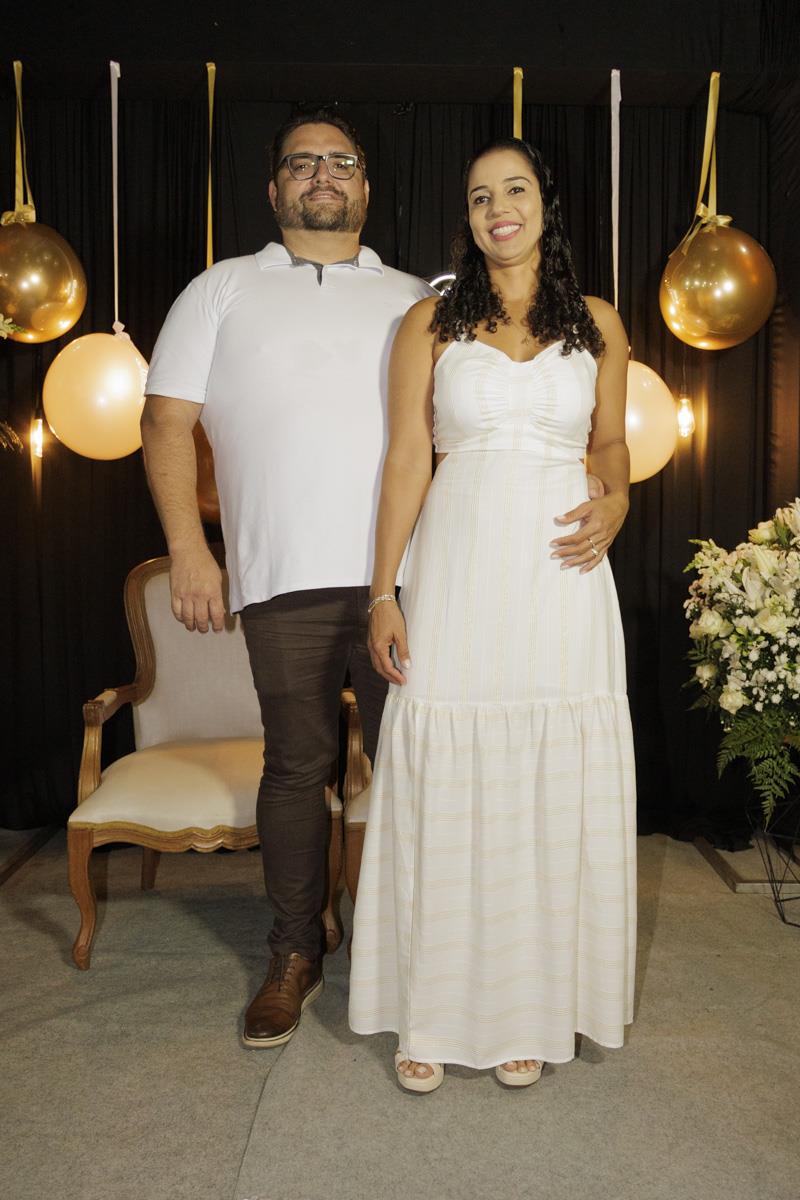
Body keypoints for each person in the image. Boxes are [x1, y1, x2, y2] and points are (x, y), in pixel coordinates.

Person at [348, 136, 637, 1092]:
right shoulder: (428, 322)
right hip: (460, 574)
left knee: (545, 787)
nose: (497, 209)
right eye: (480, 196)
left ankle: (528, 1007)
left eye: (514, 190)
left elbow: (610, 446)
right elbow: (405, 460)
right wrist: (383, 591)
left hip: (562, 581)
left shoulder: (600, 323)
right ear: (467, 218)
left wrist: (619, 500)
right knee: (444, 776)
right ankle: (430, 1011)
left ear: (546, 203)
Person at [141, 108, 433, 1048]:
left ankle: (425, 952)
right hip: (283, 579)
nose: (322, 175)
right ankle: (297, 949)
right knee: (297, 767)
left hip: (411, 578)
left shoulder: (418, 297)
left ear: (367, 187)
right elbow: (164, 423)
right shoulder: (220, 288)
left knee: (420, 767)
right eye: (302, 163)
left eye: (341, 161)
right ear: (273, 189)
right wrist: (191, 548)